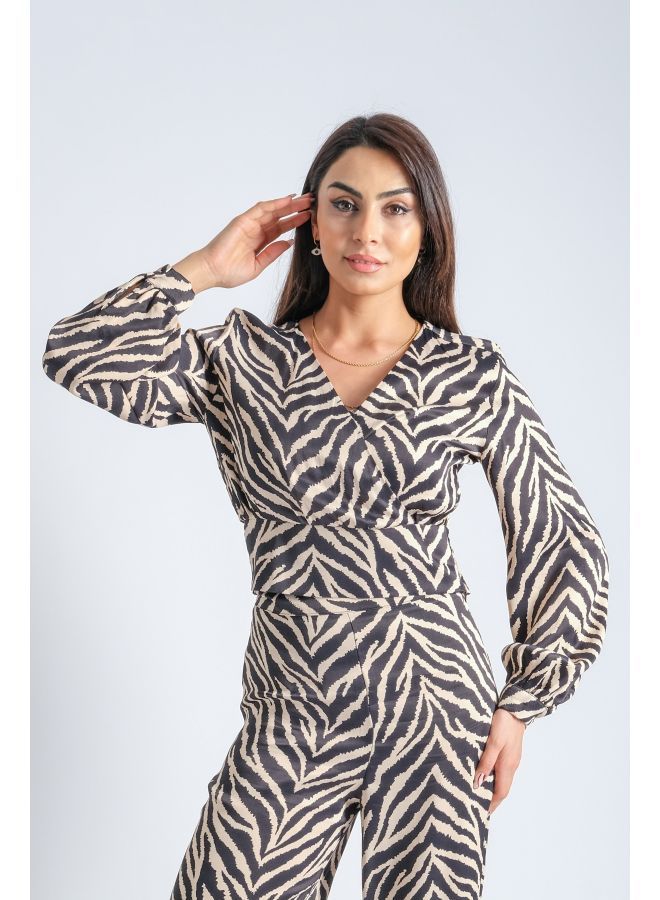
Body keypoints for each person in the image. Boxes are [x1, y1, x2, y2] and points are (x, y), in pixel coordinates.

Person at [41, 113, 609, 900]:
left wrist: (522, 702)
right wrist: (205, 267)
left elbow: (563, 539)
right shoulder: (245, 361)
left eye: (395, 208)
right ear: (311, 220)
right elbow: (76, 352)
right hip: (294, 700)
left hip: (434, 704)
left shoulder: (470, 373)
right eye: (343, 204)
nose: (365, 231)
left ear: (427, 231)